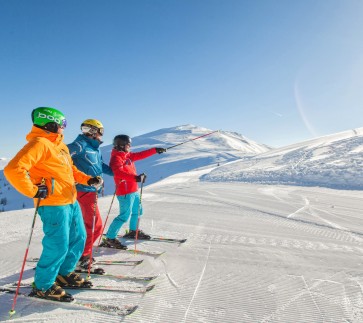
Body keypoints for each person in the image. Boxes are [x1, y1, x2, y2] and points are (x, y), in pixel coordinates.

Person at [4, 107, 103, 302]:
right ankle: (43, 285)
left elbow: (70, 170)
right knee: (57, 244)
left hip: (70, 199)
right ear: (51, 124)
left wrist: (88, 180)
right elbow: (12, 169)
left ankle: (64, 273)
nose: (64, 128)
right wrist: (33, 190)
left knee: (79, 238)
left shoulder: (60, 146)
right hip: (53, 203)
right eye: (62, 124)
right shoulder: (39, 144)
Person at [100, 134, 166, 249]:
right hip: (125, 193)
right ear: (121, 145)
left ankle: (133, 231)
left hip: (134, 190)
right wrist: (136, 178)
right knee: (124, 216)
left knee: (138, 211)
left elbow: (141, 155)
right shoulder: (116, 158)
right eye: (128, 144)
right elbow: (118, 173)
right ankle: (109, 238)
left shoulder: (127, 155)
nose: (130, 146)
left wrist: (155, 150)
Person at [68, 119, 113, 273]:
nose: (101, 135)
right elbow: (62, 156)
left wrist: (117, 174)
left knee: (90, 226)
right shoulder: (80, 145)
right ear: (94, 131)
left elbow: (101, 166)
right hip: (82, 191)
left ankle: (80, 254)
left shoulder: (95, 149)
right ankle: (82, 258)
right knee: (94, 226)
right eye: (100, 131)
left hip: (91, 191)